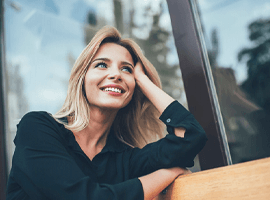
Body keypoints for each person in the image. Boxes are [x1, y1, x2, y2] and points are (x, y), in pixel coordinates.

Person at [6, 26, 207, 200]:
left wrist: (143, 80)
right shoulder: (37, 128)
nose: (115, 74)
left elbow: (190, 137)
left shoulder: (125, 159)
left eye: (126, 69)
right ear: (82, 78)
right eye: (101, 65)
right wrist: (169, 173)